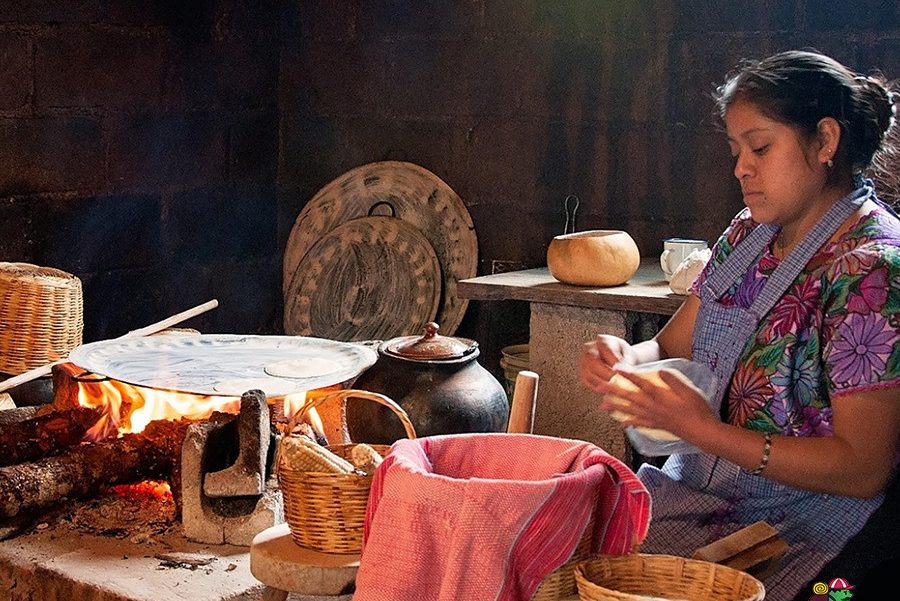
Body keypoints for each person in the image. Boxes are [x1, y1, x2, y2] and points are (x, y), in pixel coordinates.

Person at [579, 49, 899, 601]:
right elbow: (666, 347)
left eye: (760, 147)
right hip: (705, 498)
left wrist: (707, 432)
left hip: (824, 523)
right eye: (735, 151)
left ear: (825, 141)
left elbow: (863, 468)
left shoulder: (871, 268)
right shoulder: (748, 236)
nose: (741, 168)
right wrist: (625, 360)